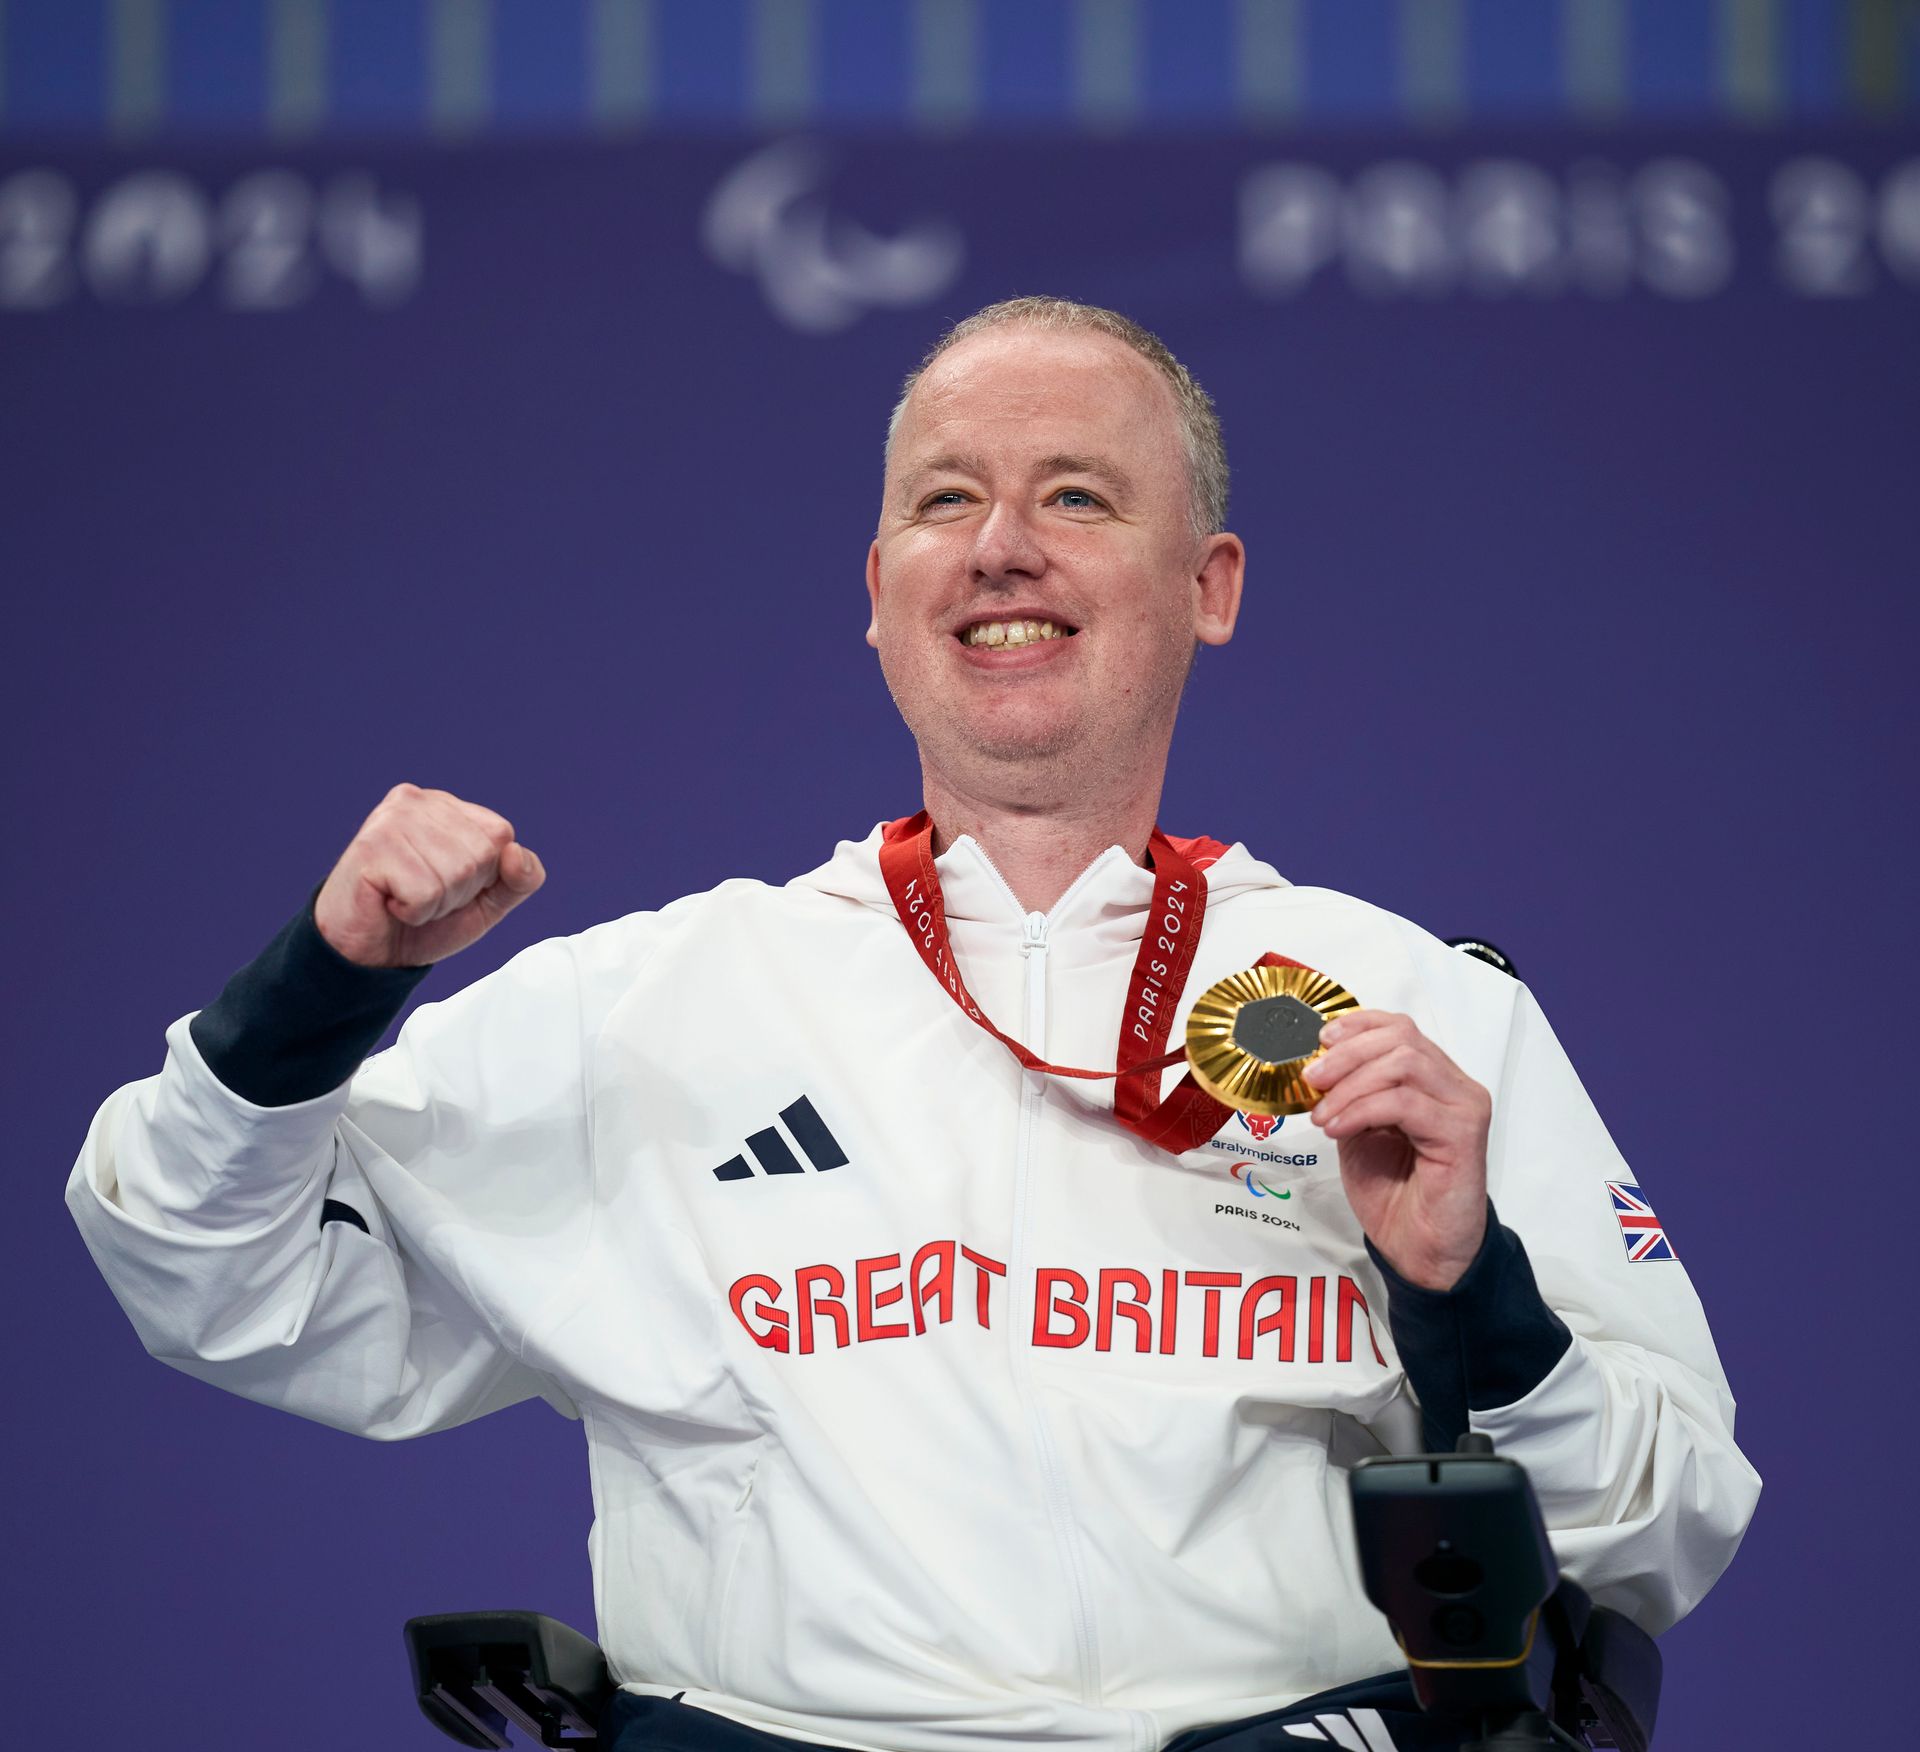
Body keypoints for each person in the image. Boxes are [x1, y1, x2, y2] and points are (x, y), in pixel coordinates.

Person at [67, 298, 1759, 1752]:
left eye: (1076, 495)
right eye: (947, 500)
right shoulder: (656, 1005)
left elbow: (1669, 1521)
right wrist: (324, 984)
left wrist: (1477, 1303)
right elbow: (210, 1271)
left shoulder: (1414, 1012)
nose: (1001, 544)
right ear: (883, 591)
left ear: (1210, 582)